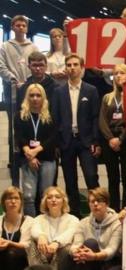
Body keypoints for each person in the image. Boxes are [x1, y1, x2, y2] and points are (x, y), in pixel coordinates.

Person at [55, 54, 101, 218]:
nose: (72, 67)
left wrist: (96, 141)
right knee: (70, 180)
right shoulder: (58, 91)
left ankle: (96, 212)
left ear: (82, 67)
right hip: (66, 141)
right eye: (69, 65)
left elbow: (96, 117)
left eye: (75, 64)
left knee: (91, 177)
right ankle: (74, 214)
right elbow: (56, 118)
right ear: (65, 68)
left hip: (86, 141)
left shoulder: (91, 90)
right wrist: (57, 143)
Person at [0, 15, 39, 186]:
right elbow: (1, 67)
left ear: (27, 28)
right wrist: (14, 80)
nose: (21, 27)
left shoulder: (33, 46)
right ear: (13, 27)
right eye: (18, 25)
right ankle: (13, 158)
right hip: (13, 94)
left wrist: (28, 82)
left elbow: (37, 65)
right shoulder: (4, 47)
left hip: (30, 93)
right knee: (14, 127)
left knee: (30, 125)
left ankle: (29, 155)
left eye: (24, 25)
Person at [15, 84, 57, 216]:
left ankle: (45, 226)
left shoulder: (50, 115)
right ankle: (31, 226)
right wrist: (30, 155)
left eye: (38, 95)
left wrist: (36, 151)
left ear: (43, 98)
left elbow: (53, 138)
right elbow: (19, 136)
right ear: (27, 97)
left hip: (48, 159)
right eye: (31, 95)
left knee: (46, 197)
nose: (35, 98)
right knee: (28, 197)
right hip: (27, 159)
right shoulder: (20, 116)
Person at [99, 63, 126, 212]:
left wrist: (121, 139)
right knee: (112, 178)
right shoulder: (107, 97)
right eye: (116, 73)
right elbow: (102, 120)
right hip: (109, 140)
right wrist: (110, 139)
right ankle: (113, 208)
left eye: (122, 73)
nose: (118, 76)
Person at [68, 187, 122, 270]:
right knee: (85, 248)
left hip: (109, 261)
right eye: (92, 202)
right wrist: (76, 252)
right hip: (88, 260)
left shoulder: (116, 223)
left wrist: (95, 256)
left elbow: (112, 250)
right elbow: (76, 244)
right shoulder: (82, 223)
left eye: (99, 200)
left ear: (107, 204)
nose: (95, 204)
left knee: (90, 243)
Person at [29, 187, 79, 269]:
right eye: (49, 197)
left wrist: (57, 242)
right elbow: (35, 230)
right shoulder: (38, 218)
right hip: (42, 255)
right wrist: (41, 236)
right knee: (31, 242)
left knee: (67, 247)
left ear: (63, 201)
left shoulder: (73, 219)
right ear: (45, 202)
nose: (53, 200)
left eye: (57, 197)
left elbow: (69, 234)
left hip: (61, 257)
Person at [0, 187, 34, 270]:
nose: (13, 201)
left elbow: (26, 245)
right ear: (3, 202)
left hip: (21, 258)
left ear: (21, 202)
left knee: (11, 253)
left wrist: (9, 243)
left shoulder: (29, 220)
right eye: (9, 198)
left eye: (16, 198)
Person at [17, 51, 59, 116]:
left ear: (46, 67)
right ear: (29, 67)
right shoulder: (23, 89)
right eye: (34, 65)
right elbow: (20, 113)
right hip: (28, 123)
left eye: (41, 65)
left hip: (50, 123)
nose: (38, 68)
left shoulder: (56, 88)